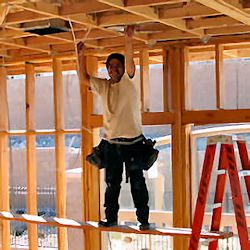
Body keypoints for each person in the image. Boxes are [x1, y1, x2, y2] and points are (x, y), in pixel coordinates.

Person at [77, 25, 150, 230]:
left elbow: (130, 64)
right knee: (111, 185)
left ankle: (143, 220)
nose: (114, 69)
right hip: (111, 145)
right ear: (107, 69)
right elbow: (83, 78)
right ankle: (110, 219)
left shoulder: (129, 80)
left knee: (138, 183)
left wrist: (128, 39)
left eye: (117, 66)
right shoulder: (104, 86)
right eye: (110, 67)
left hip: (134, 143)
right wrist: (80, 55)